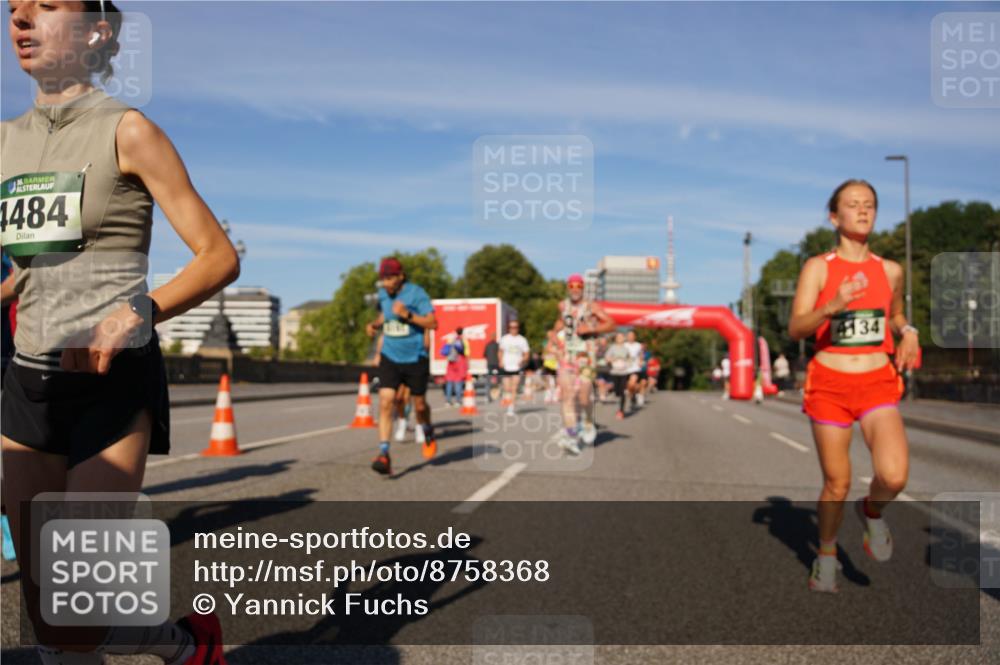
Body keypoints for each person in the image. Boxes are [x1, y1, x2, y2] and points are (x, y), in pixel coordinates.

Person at [2, 2, 241, 663]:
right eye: (14, 8)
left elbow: (218, 256)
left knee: (74, 606)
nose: (21, 19)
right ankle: (182, 644)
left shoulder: (129, 131)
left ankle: (185, 643)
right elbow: (27, 269)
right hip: (27, 386)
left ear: (97, 30)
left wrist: (135, 312)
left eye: (46, 6)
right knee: (49, 619)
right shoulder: (6, 141)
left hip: (110, 384)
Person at [788, 179, 919, 593]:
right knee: (837, 483)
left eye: (870, 205)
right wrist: (832, 305)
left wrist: (908, 331)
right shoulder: (819, 267)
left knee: (894, 476)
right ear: (834, 216)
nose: (863, 210)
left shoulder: (890, 270)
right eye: (853, 204)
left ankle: (871, 511)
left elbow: (895, 314)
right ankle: (826, 556)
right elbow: (796, 328)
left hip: (877, 382)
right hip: (830, 384)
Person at [365, 257, 437, 474]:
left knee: (420, 406)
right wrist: (374, 325)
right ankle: (384, 453)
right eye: (383, 279)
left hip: (415, 358)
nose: (386, 283)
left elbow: (433, 322)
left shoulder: (417, 294)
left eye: (390, 278)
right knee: (386, 400)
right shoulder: (383, 295)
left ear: (401, 276)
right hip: (390, 356)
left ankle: (427, 429)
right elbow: (385, 315)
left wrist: (408, 315)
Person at [549, 274, 616, 454]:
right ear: (568, 288)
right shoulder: (562, 305)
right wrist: (553, 336)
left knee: (584, 397)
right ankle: (571, 436)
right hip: (567, 357)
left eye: (578, 286)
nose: (575, 289)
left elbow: (611, 324)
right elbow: (560, 322)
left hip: (586, 357)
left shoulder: (591, 306)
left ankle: (587, 420)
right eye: (572, 286)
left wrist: (591, 328)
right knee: (567, 395)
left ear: (583, 288)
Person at [498, 319, 530, 416]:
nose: (513, 329)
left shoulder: (522, 340)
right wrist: (500, 361)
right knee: (507, 388)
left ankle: (511, 408)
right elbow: (500, 351)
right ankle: (508, 402)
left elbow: (527, 354)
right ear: (509, 328)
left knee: (514, 388)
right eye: (511, 327)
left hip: (516, 367)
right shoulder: (504, 339)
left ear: (518, 328)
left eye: (515, 327)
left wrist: (522, 360)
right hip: (506, 366)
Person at [604, 332, 630, 420]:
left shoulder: (626, 349)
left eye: (622, 337)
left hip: (623, 372)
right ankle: (611, 394)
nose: (620, 339)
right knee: (616, 391)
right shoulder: (612, 348)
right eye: (618, 337)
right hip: (614, 372)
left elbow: (630, 359)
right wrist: (613, 359)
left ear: (624, 339)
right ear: (616, 339)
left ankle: (621, 411)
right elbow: (607, 358)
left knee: (622, 392)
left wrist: (626, 363)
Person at [442, 328, 467, 407]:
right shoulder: (460, 340)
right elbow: (462, 351)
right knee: (458, 383)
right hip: (458, 363)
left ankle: (448, 401)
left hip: (450, 363)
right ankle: (458, 401)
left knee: (449, 383)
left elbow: (444, 351)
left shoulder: (450, 340)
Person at [624, 330, 644, 411]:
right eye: (629, 335)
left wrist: (641, 361)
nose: (630, 337)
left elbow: (641, 354)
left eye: (632, 335)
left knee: (632, 383)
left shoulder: (638, 345)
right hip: (625, 368)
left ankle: (635, 395)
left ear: (635, 337)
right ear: (627, 336)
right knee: (629, 386)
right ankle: (633, 397)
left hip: (635, 368)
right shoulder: (624, 345)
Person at [483, 333, 500, 403]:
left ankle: (488, 396)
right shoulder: (498, 345)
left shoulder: (488, 345)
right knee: (497, 381)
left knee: (488, 381)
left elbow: (484, 354)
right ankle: (496, 395)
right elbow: (500, 354)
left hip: (490, 364)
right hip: (496, 365)